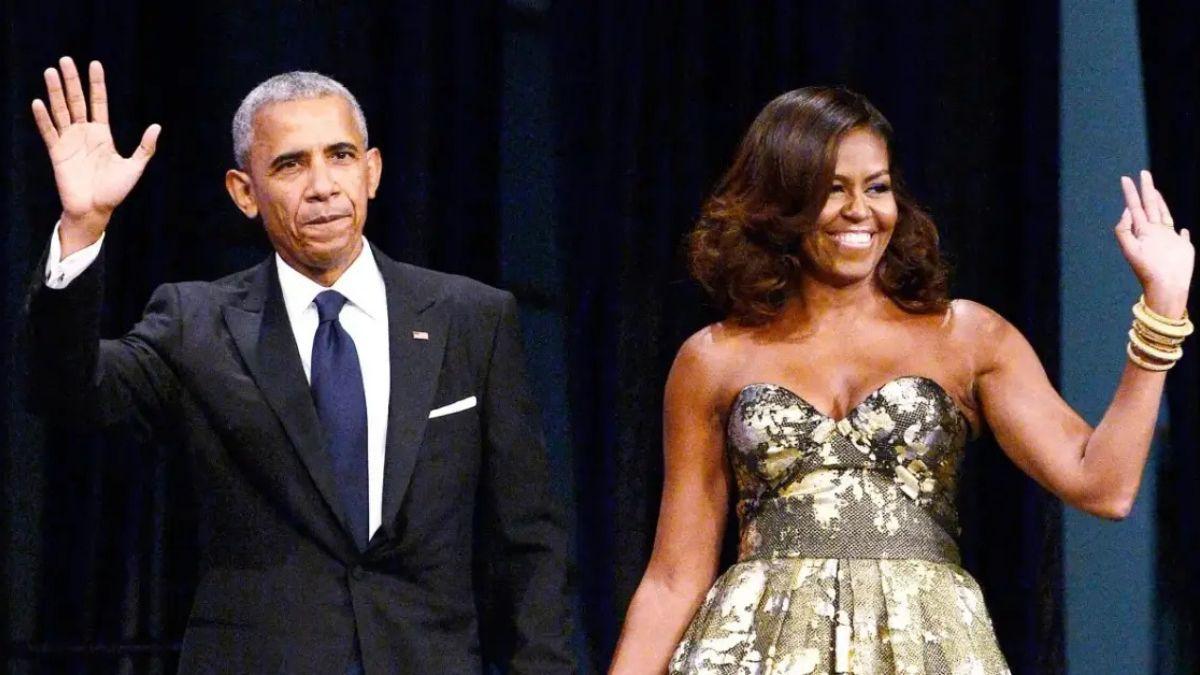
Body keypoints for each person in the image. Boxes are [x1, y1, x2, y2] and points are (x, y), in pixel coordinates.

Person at [609, 87, 1194, 674]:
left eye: (877, 187)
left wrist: (1162, 310)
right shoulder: (713, 359)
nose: (859, 210)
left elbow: (1104, 486)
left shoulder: (966, 337)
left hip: (925, 650)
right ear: (782, 201)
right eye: (832, 189)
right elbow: (672, 580)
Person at [24, 57, 575, 674]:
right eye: (290, 164)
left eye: (340, 156)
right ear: (244, 193)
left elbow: (527, 544)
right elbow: (68, 391)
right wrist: (83, 227)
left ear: (372, 171)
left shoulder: (472, 319)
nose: (322, 186)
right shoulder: (196, 323)